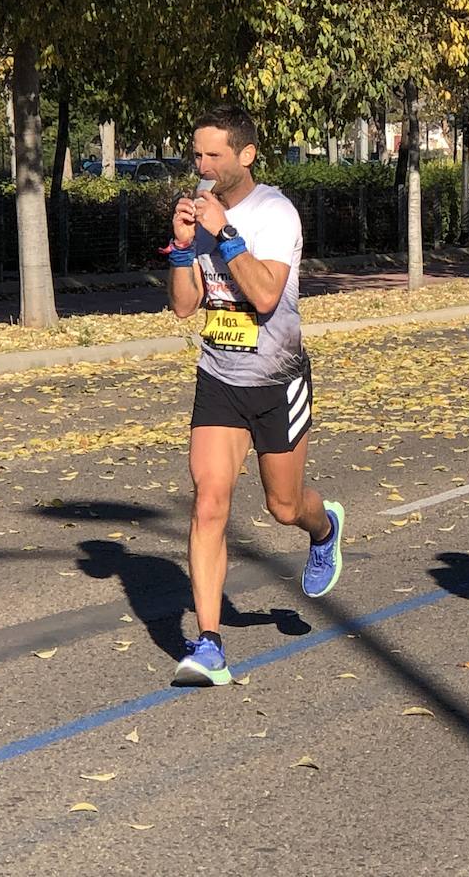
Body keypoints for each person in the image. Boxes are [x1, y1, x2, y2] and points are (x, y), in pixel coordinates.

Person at [166, 104, 344, 687]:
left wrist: (224, 233)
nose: (203, 164)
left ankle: (323, 531)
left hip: (277, 380)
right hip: (219, 376)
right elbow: (186, 305)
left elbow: (266, 297)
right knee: (209, 503)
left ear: (245, 155)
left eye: (214, 154)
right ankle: (210, 643)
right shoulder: (202, 208)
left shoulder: (275, 213)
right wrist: (183, 247)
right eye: (197, 154)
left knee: (283, 507)